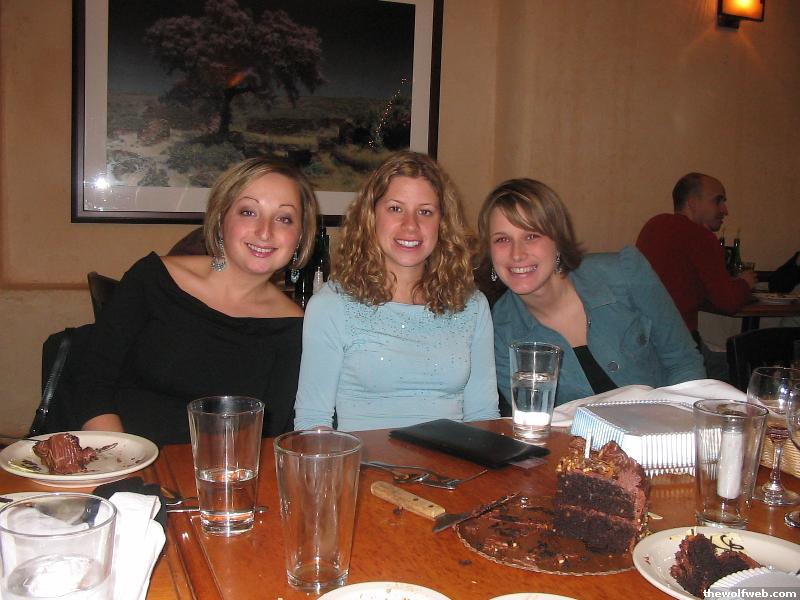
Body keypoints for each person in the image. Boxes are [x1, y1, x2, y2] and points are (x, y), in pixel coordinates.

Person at [74, 158, 319, 446]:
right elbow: (90, 384)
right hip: (113, 452)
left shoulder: (295, 326)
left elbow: (269, 434)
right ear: (221, 219)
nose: (265, 231)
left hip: (220, 468)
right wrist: (122, 460)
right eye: (248, 212)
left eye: (284, 218)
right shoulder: (154, 279)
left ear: (300, 236)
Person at [294, 151, 499, 431]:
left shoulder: (471, 306)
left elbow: (484, 416)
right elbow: (312, 422)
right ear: (371, 216)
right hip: (364, 460)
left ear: (442, 222)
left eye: (425, 212)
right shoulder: (332, 305)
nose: (410, 225)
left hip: (453, 458)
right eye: (395, 209)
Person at [478, 178, 705, 408]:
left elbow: (683, 362)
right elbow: (532, 416)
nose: (517, 254)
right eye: (502, 240)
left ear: (557, 240)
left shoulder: (625, 272)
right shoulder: (499, 331)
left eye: (531, 236)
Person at [636, 172, 756, 344]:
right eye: (718, 201)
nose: (725, 210)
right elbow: (728, 302)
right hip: (676, 342)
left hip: (641, 339)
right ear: (692, 203)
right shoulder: (700, 237)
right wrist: (745, 282)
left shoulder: (654, 225)